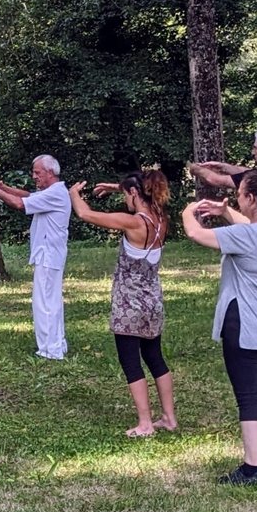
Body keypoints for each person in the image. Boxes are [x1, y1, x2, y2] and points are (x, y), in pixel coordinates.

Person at [181, 170, 257, 485]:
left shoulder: (245, 237)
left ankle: (251, 468)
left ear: (252, 199)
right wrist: (224, 212)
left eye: (240, 194)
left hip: (244, 326)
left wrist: (187, 212)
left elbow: (196, 234)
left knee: (248, 397)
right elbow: (253, 228)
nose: (236, 199)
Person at [70, 170, 177, 438]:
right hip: (152, 300)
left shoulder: (133, 222)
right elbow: (139, 194)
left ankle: (145, 423)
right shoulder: (161, 220)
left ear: (133, 194)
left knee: (131, 361)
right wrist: (118, 187)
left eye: (127, 194)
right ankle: (168, 418)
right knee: (155, 358)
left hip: (129, 304)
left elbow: (86, 214)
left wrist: (73, 195)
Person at [188, 127, 257, 375]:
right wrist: (226, 166)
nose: (253, 151)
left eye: (255, 147)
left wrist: (196, 169)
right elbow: (250, 174)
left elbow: (216, 182)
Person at [0, 155, 70, 360]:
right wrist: (4, 188)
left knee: (44, 302)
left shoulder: (55, 194)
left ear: (50, 172)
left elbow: (20, 204)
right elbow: (28, 195)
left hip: (49, 254)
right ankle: (57, 343)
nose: (34, 176)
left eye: (37, 172)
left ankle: (50, 350)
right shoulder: (52, 192)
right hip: (50, 254)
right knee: (52, 300)